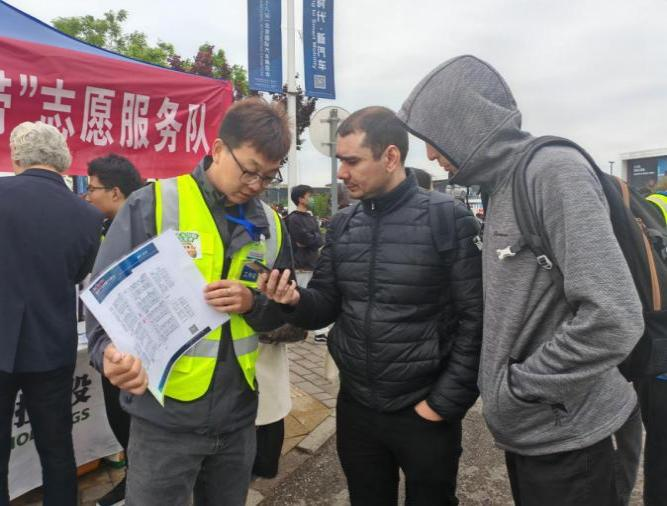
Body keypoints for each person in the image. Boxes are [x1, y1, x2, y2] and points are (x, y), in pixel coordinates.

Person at [398, 55, 644, 505]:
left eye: (433, 140)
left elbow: (614, 317)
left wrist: (520, 390)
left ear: (464, 126)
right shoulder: (502, 186)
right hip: (539, 431)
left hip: (576, 439)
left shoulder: (551, 171)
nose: (430, 155)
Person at [260, 106, 483, 505]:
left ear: (391, 157)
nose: (341, 173)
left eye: (352, 161)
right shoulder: (345, 224)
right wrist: (294, 300)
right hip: (357, 409)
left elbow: (476, 321)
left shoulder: (448, 219)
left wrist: (443, 404)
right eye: (340, 161)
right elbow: (325, 303)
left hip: (424, 410)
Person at [86, 97, 293, 506]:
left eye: (269, 176)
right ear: (218, 149)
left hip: (237, 420)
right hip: (163, 421)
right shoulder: (153, 205)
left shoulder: (271, 225)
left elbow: (286, 316)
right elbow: (104, 300)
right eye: (250, 170)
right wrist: (105, 353)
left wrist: (255, 304)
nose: (256, 185)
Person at [0, 122, 103, 505]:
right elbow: (78, 273)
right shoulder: (88, 215)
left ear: (17, 156)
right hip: (52, 345)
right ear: (62, 159)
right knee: (57, 446)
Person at [83, 153, 143, 506]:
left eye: (93, 189)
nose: (88, 195)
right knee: (120, 421)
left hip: (131, 348)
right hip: (110, 344)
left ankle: (137, 485)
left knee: (129, 421)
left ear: (116, 192)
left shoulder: (141, 229)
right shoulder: (111, 227)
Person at [285, 184, 327, 342]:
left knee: (315, 298)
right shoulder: (293, 219)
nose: (312, 199)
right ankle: (298, 330)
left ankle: (318, 332)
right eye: (310, 196)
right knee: (299, 298)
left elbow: (319, 239)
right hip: (300, 266)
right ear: (300, 198)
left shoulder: (310, 217)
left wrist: (313, 238)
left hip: (313, 264)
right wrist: (314, 238)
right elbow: (302, 240)